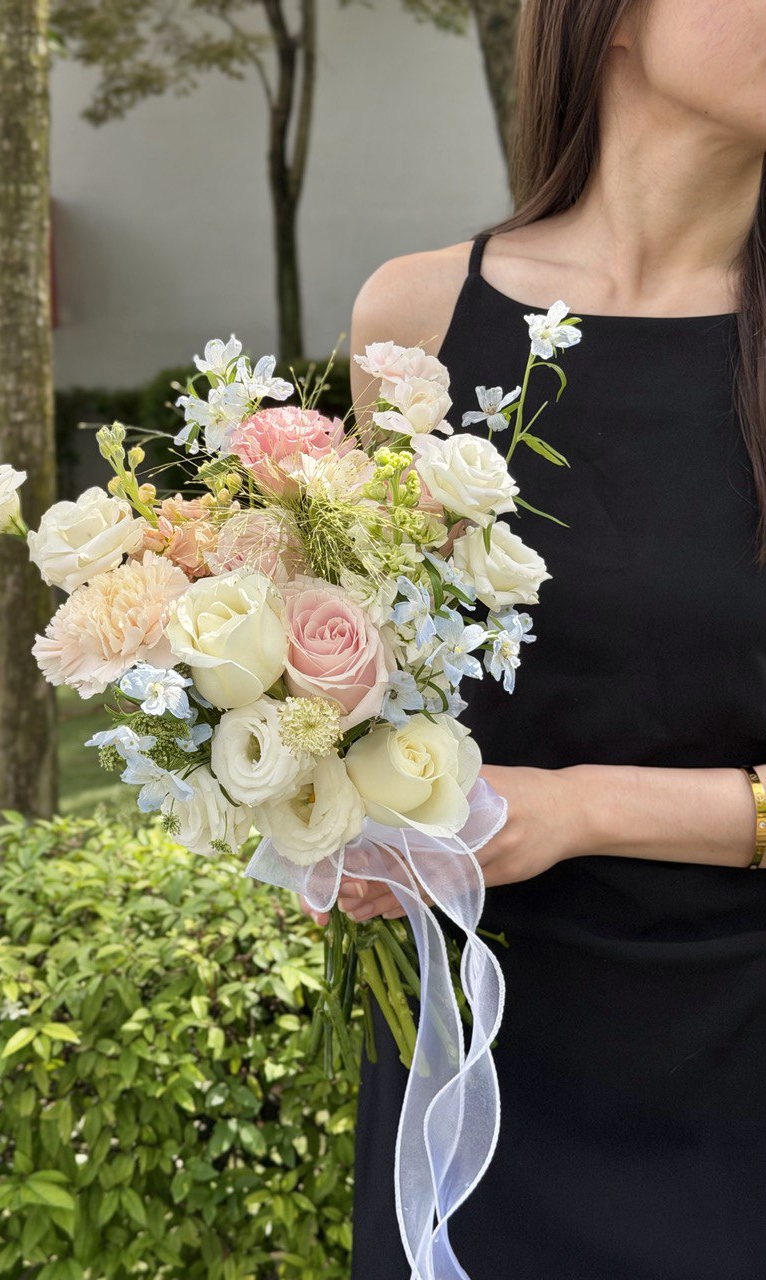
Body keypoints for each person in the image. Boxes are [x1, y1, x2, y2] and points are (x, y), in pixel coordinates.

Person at [299, 1, 766, 1276]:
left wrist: (576, 806)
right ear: (611, 18)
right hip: (482, 1076)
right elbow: (381, 701)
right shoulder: (416, 317)